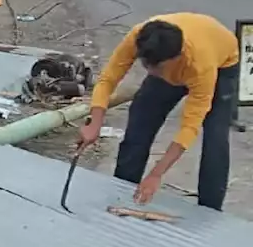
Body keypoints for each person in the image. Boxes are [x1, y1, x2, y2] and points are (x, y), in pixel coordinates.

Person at [77, 14, 239, 210]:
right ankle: (122, 190)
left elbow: (189, 127)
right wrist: (94, 123)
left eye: (157, 67)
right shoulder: (140, 37)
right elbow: (107, 80)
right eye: (146, 65)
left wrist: (156, 174)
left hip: (222, 62)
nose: (151, 71)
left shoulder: (200, 65)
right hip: (176, 55)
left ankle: (210, 209)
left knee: (215, 138)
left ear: (177, 56)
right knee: (141, 117)